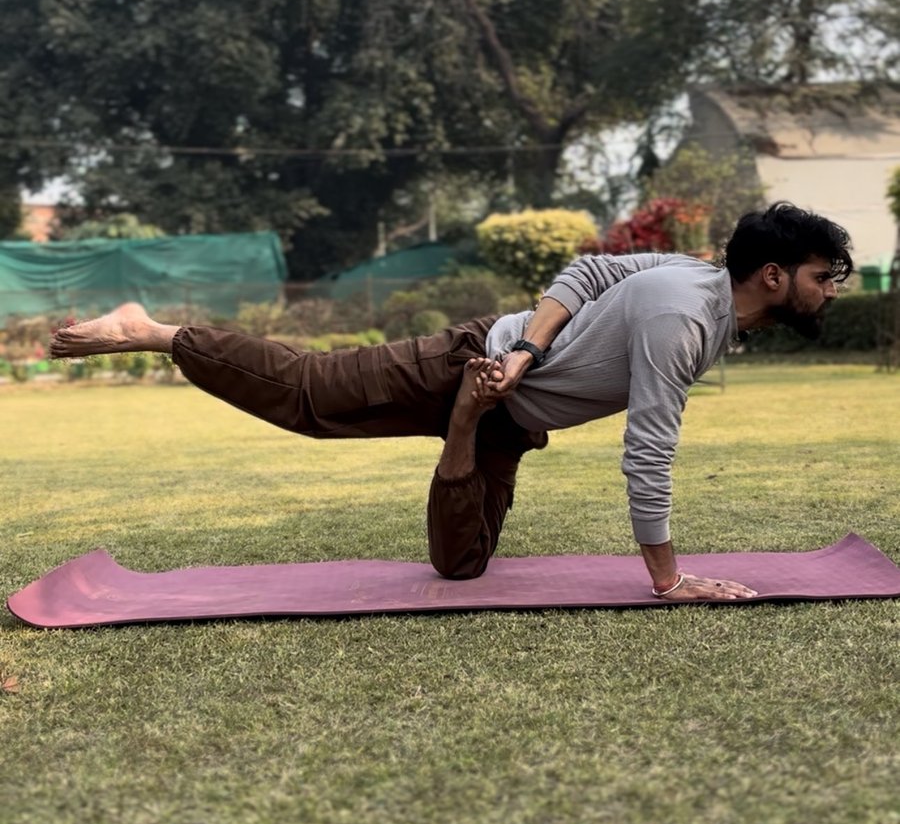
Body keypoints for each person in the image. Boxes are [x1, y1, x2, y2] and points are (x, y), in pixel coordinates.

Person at [50, 202, 852, 604]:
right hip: (464, 358)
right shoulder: (686, 314)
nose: (828, 291)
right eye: (822, 276)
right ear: (773, 275)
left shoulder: (700, 287)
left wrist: (515, 377)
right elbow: (647, 451)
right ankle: (155, 330)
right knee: (307, 394)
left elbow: (589, 271)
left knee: (460, 566)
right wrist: (670, 580)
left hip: (506, 412)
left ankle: (461, 425)